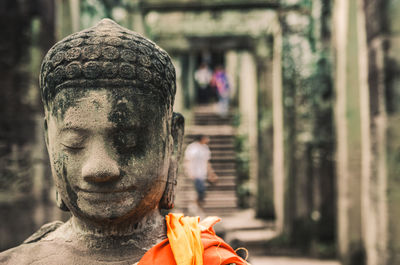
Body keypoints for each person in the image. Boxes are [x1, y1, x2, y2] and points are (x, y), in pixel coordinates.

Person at [0, 19, 247, 265]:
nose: (99, 169)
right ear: (49, 140)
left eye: (127, 142)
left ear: (173, 140)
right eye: (74, 143)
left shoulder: (205, 259)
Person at [184, 135, 217, 207]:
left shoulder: (205, 148)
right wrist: (189, 171)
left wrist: (211, 173)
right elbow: (187, 160)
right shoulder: (192, 147)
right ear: (202, 139)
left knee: (201, 190)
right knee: (200, 189)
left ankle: (198, 204)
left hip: (202, 172)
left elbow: (207, 162)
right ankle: (197, 204)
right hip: (194, 172)